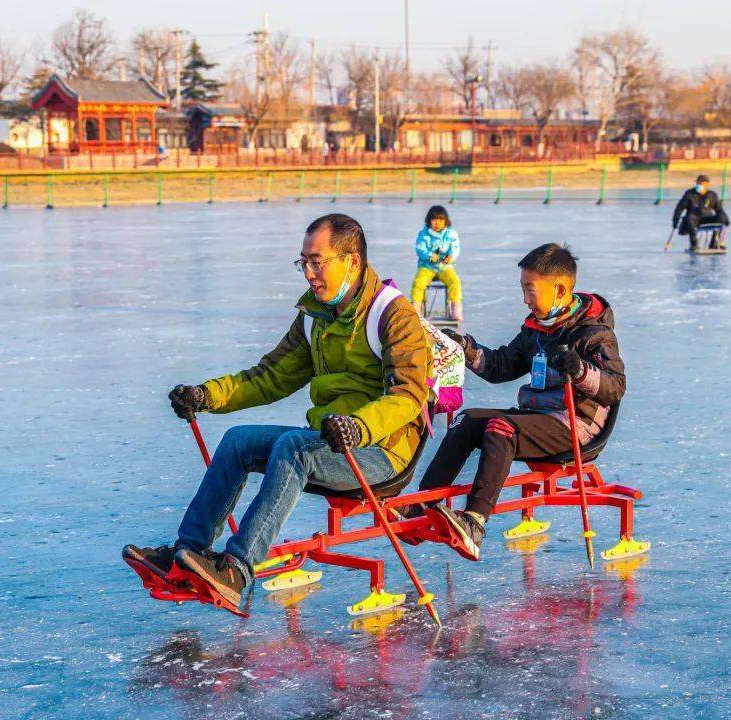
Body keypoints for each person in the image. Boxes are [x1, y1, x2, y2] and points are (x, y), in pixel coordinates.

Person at [124, 213, 431, 614]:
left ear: (352, 261)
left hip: (381, 450)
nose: (308, 273)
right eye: (303, 262)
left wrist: (358, 427)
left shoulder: (393, 315)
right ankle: (189, 553)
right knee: (238, 441)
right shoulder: (314, 317)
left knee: (294, 447)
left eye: (317, 262)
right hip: (330, 442)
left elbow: (409, 396)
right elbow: (270, 376)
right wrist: (206, 395)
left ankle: (236, 569)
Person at [402, 243, 626, 562]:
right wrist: (467, 349)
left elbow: (615, 388)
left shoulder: (593, 334)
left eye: (530, 289)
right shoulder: (536, 329)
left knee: (500, 428)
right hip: (538, 418)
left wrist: (579, 370)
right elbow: (503, 365)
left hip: (576, 424)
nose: (525, 298)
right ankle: (422, 505)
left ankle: (474, 522)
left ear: (560, 289)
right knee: (466, 421)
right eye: (523, 288)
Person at [410, 206, 463, 321]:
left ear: (446, 221)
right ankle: (415, 309)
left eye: (440, 220)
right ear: (429, 221)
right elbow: (420, 248)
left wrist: (450, 257)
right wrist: (429, 256)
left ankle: (456, 309)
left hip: (445, 267)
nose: (437, 223)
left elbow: (455, 248)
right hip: (427, 267)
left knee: (455, 281)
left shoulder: (451, 233)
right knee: (418, 283)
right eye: (434, 220)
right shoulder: (423, 233)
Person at [672, 174, 729, 251]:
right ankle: (694, 244)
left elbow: (719, 210)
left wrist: (725, 218)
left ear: (706, 184)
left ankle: (715, 243)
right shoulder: (689, 194)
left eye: (700, 183)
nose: (698, 185)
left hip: (706, 218)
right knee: (689, 218)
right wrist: (675, 220)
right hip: (694, 220)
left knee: (722, 217)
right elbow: (679, 208)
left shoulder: (712, 195)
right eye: (697, 183)